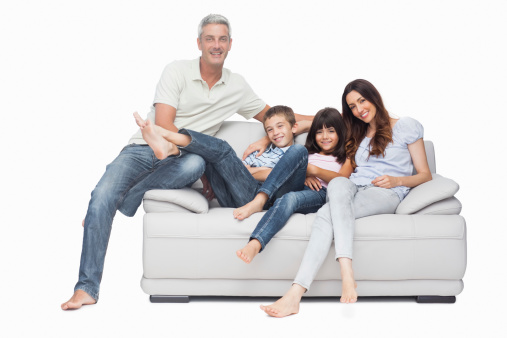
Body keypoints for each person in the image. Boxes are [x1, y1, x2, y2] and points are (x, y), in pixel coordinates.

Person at [61, 14, 312, 311]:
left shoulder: (237, 86)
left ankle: (128, 193)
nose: (215, 45)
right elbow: (164, 122)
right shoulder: (176, 71)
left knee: (196, 165)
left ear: (230, 44)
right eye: (209, 39)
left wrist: (331, 121)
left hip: (186, 155)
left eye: (222, 39)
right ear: (199, 43)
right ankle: (86, 288)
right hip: (145, 145)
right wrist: (161, 140)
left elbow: (279, 119)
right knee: (101, 196)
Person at [260, 79, 432, 317]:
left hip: (385, 192)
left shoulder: (406, 126)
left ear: (374, 97)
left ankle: (301, 291)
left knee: (323, 214)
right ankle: (318, 286)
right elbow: (314, 123)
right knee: (339, 182)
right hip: (351, 187)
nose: (359, 109)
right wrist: (264, 137)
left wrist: (397, 180)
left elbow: (425, 175)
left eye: (362, 100)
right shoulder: (356, 131)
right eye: (352, 106)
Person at [133, 105, 308, 214]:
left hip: (259, 200)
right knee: (207, 154)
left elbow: (276, 176)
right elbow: (241, 173)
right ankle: (168, 144)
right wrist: (252, 172)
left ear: (294, 127)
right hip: (231, 199)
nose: (275, 133)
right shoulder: (260, 151)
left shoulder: (294, 154)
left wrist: (250, 172)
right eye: (270, 129)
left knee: (223, 149)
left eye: (280, 126)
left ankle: (166, 135)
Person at [235, 107, 353, 264]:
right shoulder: (308, 152)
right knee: (297, 149)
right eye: (319, 132)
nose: (324, 137)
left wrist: (312, 170)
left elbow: (342, 179)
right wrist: (304, 174)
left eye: (331, 131)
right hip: (297, 185)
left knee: (289, 199)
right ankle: (260, 200)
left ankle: (255, 243)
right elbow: (290, 138)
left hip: (320, 193)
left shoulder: (346, 155)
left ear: (340, 132)